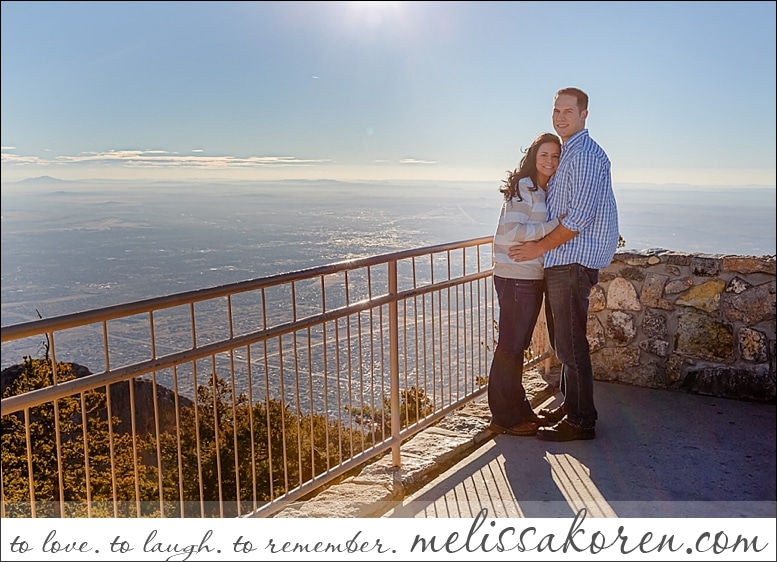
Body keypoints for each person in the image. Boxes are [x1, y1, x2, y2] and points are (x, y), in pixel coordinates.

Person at [509, 87, 619, 442]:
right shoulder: (570, 153)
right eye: (556, 111)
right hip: (562, 260)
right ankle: (572, 406)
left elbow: (578, 219)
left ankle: (582, 421)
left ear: (584, 114)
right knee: (562, 343)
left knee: (571, 346)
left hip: (572, 260)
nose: (560, 117)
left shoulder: (585, 155)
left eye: (568, 111)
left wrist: (537, 247)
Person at [487, 132, 562, 437]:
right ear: (533, 156)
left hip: (530, 276)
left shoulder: (545, 188)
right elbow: (512, 231)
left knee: (517, 347)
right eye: (544, 155)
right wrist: (554, 226)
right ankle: (504, 417)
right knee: (510, 347)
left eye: (555, 156)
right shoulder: (524, 187)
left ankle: (519, 410)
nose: (550, 161)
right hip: (516, 276)